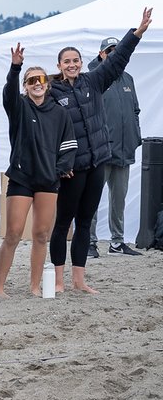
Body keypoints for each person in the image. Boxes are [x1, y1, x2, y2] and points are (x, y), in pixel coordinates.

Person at [48, 7, 151, 292]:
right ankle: (58, 280)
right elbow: (30, 106)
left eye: (75, 60)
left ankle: (79, 281)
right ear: (59, 65)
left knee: (84, 223)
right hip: (71, 168)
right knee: (63, 224)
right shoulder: (53, 91)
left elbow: (118, 60)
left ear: (83, 62)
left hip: (97, 163)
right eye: (66, 61)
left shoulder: (93, 80)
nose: (72, 65)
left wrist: (137, 33)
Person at [0, 44, 76, 296]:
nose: (37, 84)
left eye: (40, 79)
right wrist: (15, 67)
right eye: (31, 81)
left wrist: (61, 168)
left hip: (48, 181)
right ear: (25, 86)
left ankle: (34, 286)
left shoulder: (60, 114)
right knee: (13, 234)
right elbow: (8, 91)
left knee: (41, 235)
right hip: (21, 178)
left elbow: (69, 145)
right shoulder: (18, 106)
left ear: (47, 84)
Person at [88, 36, 143, 256]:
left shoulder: (128, 78)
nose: (112, 54)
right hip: (101, 150)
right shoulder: (94, 78)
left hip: (124, 149)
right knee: (91, 198)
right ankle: (89, 242)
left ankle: (117, 242)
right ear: (101, 54)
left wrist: (135, 136)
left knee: (118, 199)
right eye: (109, 51)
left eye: (116, 50)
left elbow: (135, 111)